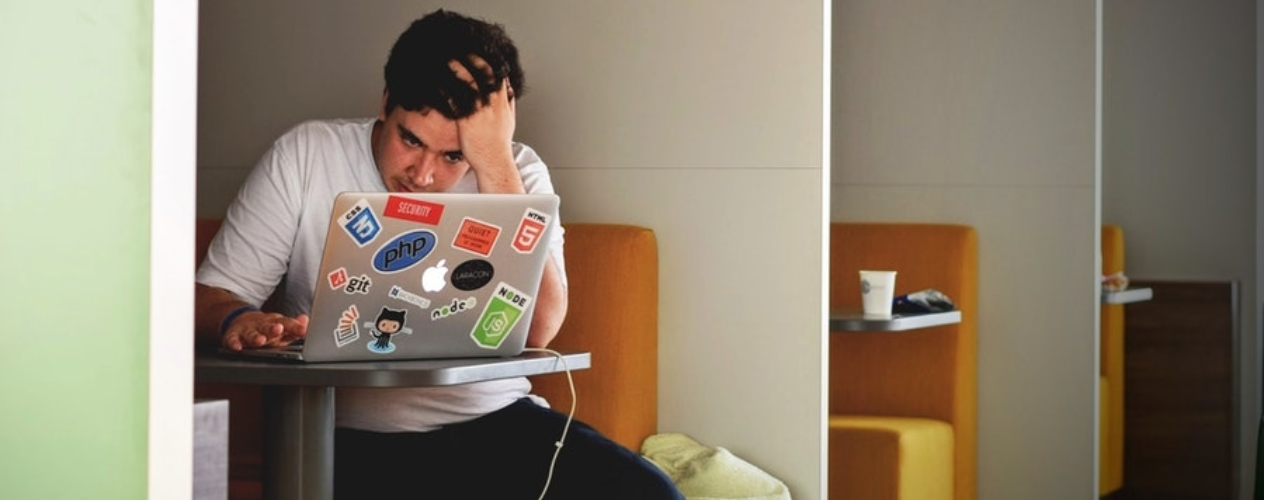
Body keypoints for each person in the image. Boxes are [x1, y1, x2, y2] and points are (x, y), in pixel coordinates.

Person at [194, 9, 684, 500]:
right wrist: (237, 317)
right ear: (386, 102)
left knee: (653, 495)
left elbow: (540, 329)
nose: (423, 175)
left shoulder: (517, 173)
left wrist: (493, 160)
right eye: (410, 139)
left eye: (453, 156)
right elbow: (210, 295)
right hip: (342, 438)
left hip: (494, 421)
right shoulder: (306, 154)